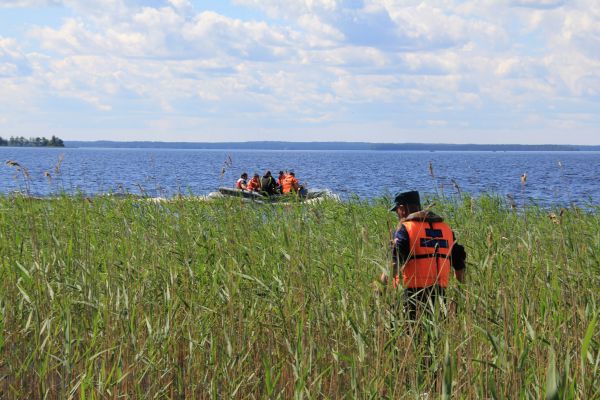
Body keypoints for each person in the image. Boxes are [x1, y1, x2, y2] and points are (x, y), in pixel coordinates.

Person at [381, 190, 466, 322]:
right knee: (434, 338)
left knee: (406, 337)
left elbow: (394, 264)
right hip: (438, 295)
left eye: (397, 210)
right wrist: (458, 297)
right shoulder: (446, 230)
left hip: (410, 295)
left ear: (402, 209)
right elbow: (459, 265)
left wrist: (381, 289)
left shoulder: (405, 229)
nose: (397, 214)